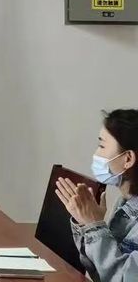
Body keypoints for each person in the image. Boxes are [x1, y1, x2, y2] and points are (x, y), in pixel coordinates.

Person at [56, 109, 138, 282]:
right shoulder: (125, 203)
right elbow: (99, 274)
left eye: (102, 146)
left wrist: (94, 226)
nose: (96, 155)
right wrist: (86, 222)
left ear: (128, 159)